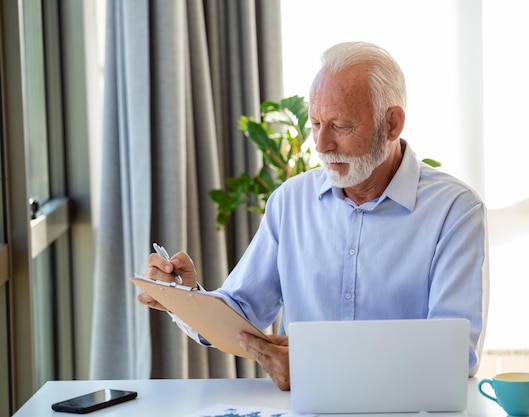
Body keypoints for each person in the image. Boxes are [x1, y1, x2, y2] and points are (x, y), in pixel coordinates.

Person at [138, 41, 489, 391]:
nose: (321, 144)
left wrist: (321, 367)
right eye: (316, 123)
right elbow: (242, 313)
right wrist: (186, 297)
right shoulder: (289, 202)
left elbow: (456, 355)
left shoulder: (454, 211)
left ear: (392, 124)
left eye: (340, 126)